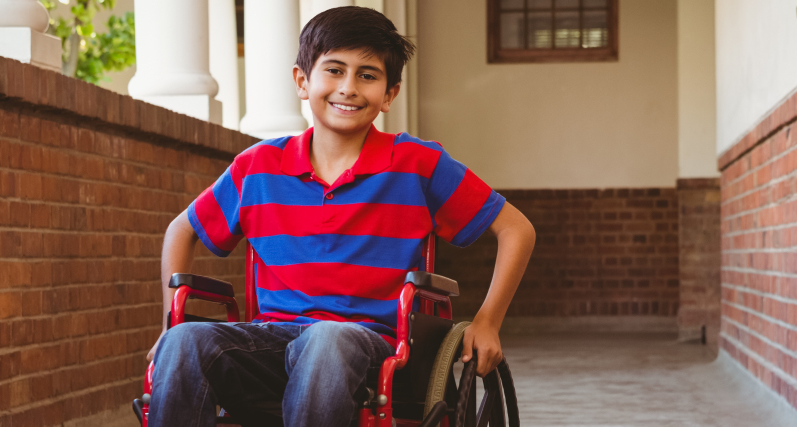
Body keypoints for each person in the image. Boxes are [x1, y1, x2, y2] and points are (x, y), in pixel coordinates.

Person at [145, 6, 535, 427]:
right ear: (302, 81)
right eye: (334, 70)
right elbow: (181, 230)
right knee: (183, 341)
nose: (348, 87)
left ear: (389, 94)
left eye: (367, 75)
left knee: (327, 339)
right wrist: (170, 323)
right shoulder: (258, 167)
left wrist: (487, 321)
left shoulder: (417, 164)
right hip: (272, 344)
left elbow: (516, 228)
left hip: (375, 347)